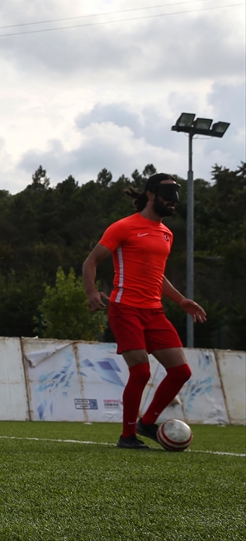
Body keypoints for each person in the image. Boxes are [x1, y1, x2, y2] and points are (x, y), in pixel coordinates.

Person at [82, 173, 207, 450]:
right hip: (125, 308)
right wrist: (91, 292)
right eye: (167, 197)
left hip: (154, 312)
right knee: (140, 372)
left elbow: (157, 274)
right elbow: (91, 261)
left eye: (175, 199)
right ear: (151, 195)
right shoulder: (123, 227)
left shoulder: (166, 233)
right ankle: (127, 436)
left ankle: (146, 423)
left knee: (181, 372)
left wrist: (181, 300)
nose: (172, 203)